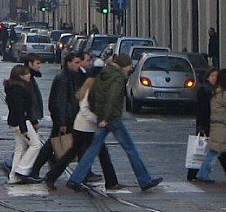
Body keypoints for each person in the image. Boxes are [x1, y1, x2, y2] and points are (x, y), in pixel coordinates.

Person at [64, 53, 163, 192]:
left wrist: (98, 113)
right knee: (130, 149)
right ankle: (144, 180)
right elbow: (113, 97)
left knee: (93, 149)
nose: (130, 69)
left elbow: (93, 94)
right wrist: (106, 117)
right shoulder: (118, 77)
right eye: (129, 66)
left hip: (102, 116)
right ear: (124, 65)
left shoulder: (104, 73)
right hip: (112, 118)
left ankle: (75, 179)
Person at [45, 73, 119, 191]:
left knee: (98, 154)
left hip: (88, 129)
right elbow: (85, 110)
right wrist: (98, 120)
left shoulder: (94, 92)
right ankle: (53, 177)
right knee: (74, 154)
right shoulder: (90, 92)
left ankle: (110, 181)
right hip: (83, 129)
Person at [30, 52, 85, 180]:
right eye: (76, 62)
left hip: (69, 117)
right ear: (68, 63)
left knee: (63, 145)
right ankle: (38, 170)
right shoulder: (63, 78)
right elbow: (60, 101)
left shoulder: (72, 76)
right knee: (55, 145)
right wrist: (62, 122)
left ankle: (41, 169)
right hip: (65, 119)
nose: (79, 65)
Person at [188, 68, 226, 181]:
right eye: (212, 76)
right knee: (201, 150)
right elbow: (201, 110)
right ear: (207, 77)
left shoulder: (215, 90)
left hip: (214, 123)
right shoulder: (205, 90)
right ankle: (193, 174)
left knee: (217, 148)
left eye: (216, 76)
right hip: (206, 124)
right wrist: (201, 127)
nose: (214, 78)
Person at [4, 64, 41, 184]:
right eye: (26, 73)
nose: (29, 75)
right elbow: (19, 110)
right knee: (36, 144)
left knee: (20, 148)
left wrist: (33, 121)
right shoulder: (18, 90)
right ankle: (21, 169)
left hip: (15, 122)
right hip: (21, 122)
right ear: (20, 76)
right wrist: (24, 129)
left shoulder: (15, 88)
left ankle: (13, 176)